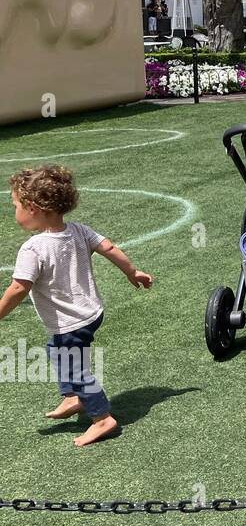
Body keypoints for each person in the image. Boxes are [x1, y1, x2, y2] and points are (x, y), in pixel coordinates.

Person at [0, 167, 153, 446]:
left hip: (70, 321)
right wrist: (133, 272)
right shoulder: (78, 230)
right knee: (57, 352)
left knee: (74, 368)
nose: (14, 213)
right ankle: (73, 397)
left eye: (15, 206)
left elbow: (18, 288)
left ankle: (102, 418)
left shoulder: (33, 249)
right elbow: (108, 247)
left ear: (32, 207)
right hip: (90, 312)